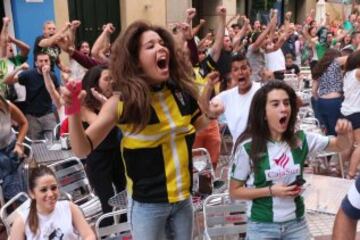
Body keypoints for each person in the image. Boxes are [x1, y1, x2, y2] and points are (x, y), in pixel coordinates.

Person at [62, 21, 224, 240]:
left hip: (183, 200)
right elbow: (82, 149)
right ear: (135, 61)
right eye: (150, 46)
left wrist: (210, 108)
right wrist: (73, 110)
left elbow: (202, 122)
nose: (161, 48)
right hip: (147, 207)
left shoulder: (182, 93)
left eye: (161, 43)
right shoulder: (121, 102)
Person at [229, 80, 352, 239]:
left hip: (297, 225)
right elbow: (234, 191)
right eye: (275, 104)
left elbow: (339, 146)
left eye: (286, 103)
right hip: (261, 227)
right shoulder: (248, 147)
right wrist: (272, 191)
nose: (283, 109)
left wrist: (343, 134)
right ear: (263, 113)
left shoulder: (301, 139)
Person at [60, 65, 126, 225]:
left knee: (124, 198)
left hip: (117, 155)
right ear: (95, 84)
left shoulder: (115, 101)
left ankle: (124, 233)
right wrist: (107, 107)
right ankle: (106, 234)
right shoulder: (85, 106)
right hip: (98, 159)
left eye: (112, 78)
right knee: (108, 203)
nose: (112, 82)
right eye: (107, 79)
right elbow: (100, 126)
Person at [9, 165, 95, 240]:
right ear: (32, 193)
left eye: (53, 188)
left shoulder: (69, 207)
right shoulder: (21, 222)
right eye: (43, 190)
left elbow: (89, 235)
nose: (50, 194)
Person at [4, 52, 61, 140]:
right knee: (35, 145)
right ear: (36, 63)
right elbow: (7, 81)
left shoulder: (52, 76)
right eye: (41, 61)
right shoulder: (29, 74)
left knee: (54, 143)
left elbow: (59, 96)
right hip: (32, 117)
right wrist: (19, 68)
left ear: (50, 62)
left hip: (48, 114)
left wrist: (58, 114)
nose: (44, 63)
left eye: (46, 61)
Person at [210, 53, 261, 145]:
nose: (240, 72)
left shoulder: (263, 90)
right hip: (239, 152)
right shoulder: (226, 96)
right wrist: (208, 85)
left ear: (251, 70)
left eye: (244, 68)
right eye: (236, 70)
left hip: (261, 149)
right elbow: (207, 109)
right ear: (232, 74)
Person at [0, 94, 28, 201]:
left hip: (11, 150)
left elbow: (24, 123)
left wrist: (19, 143)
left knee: (15, 183)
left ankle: (21, 204)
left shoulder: (7, 105)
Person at [340, 50, 360, 179]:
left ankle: (339, 169)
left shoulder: (347, 73)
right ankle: (351, 174)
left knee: (349, 144)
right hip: (356, 112)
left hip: (346, 111)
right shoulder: (357, 73)